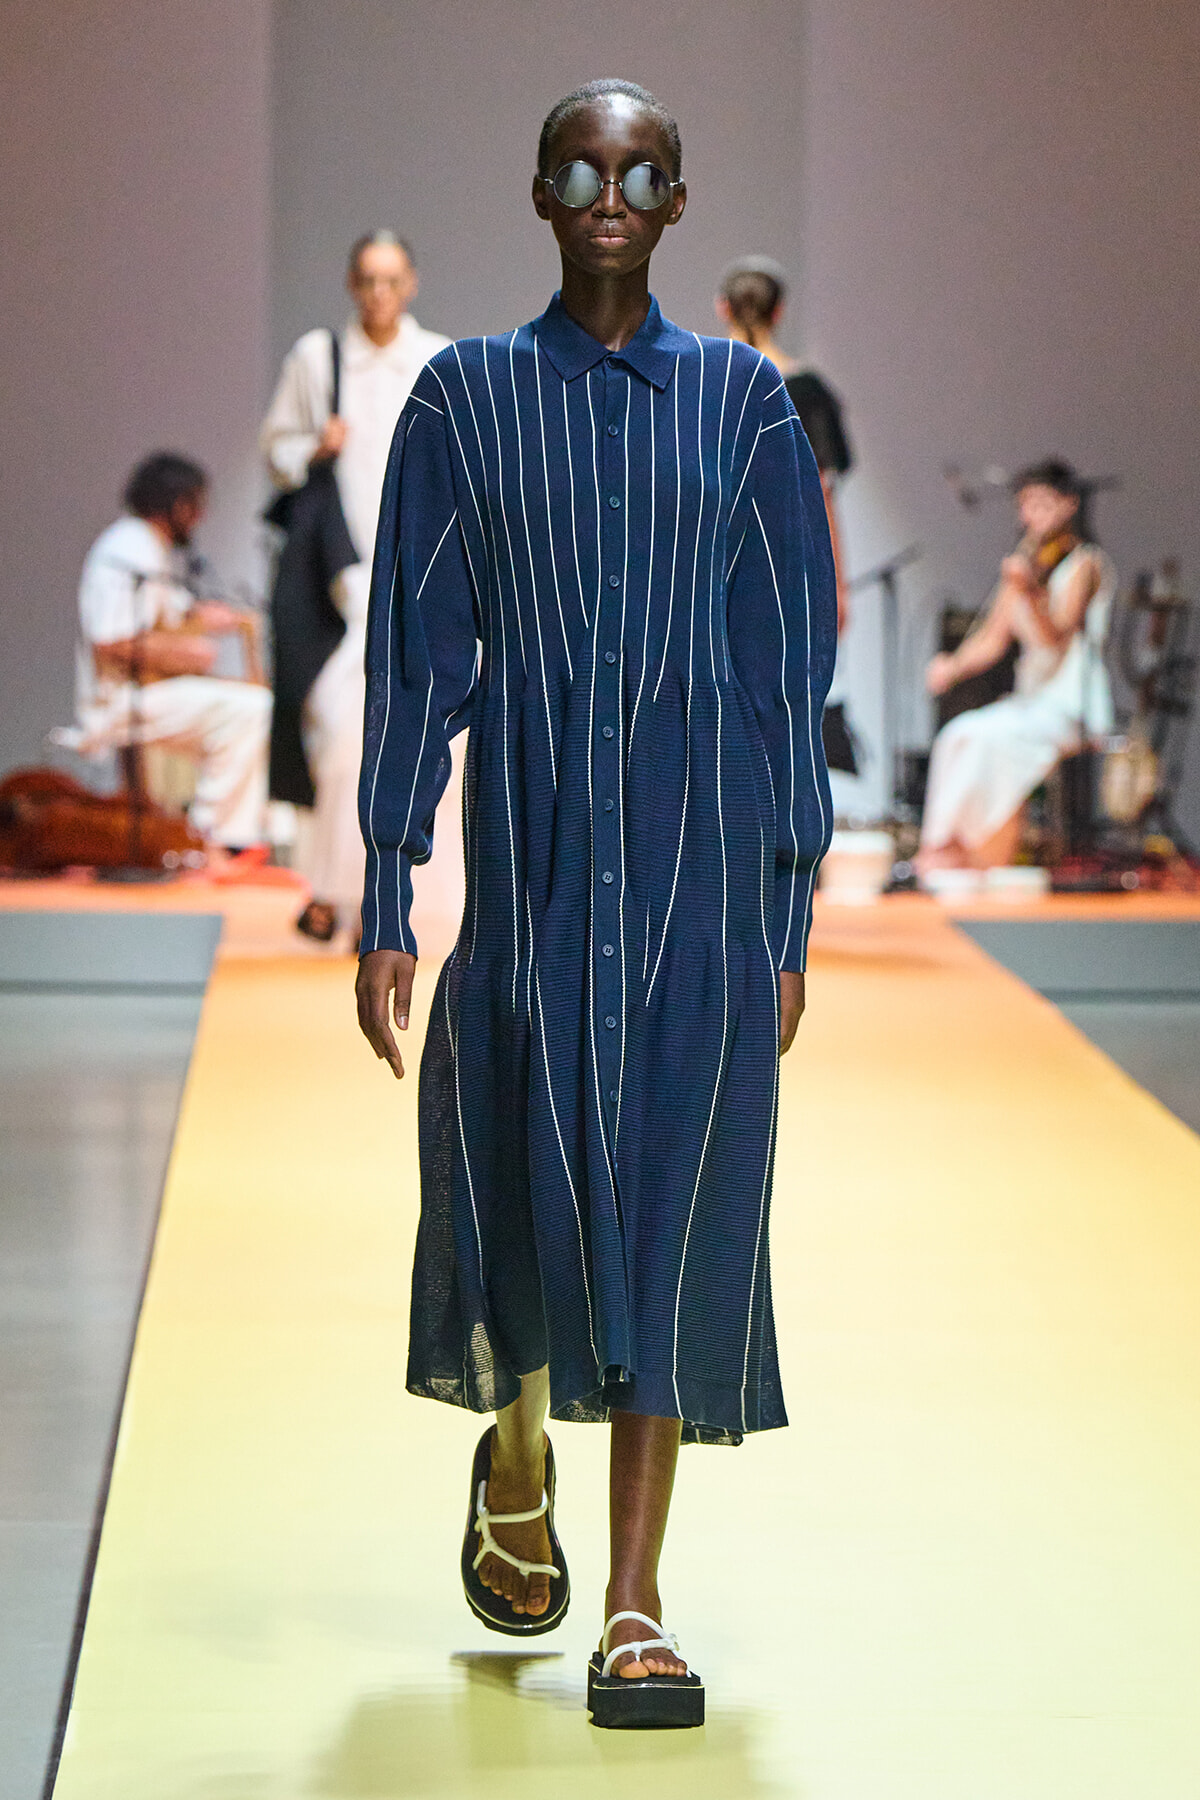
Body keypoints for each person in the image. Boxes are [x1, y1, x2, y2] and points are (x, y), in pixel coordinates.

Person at [354, 80, 836, 1725]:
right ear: (541, 195)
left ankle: (635, 1604)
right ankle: (510, 1439)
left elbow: (787, 678)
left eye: (639, 170)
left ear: (680, 200)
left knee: (674, 1206)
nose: (608, 190)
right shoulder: (466, 400)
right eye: (580, 167)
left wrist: (790, 905)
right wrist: (382, 886)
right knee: (518, 1179)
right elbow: (420, 658)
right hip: (540, 876)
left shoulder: (748, 407)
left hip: (702, 889)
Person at [261, 232, 449, 943]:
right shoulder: (320, 358)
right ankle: (337, 892)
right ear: (351, 284)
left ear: (412, 284)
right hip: (341, 579)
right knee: (343, 741)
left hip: (417, 573)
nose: (379, 294)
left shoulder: (433, 357)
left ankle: (381, 902)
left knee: (418, 740)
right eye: (368, 280)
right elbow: (277, 448)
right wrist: (316, 445)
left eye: (391, 280)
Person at [918, 459, 1116, 871]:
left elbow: (1056, 638)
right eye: (1025, 504)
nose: (1031, 515)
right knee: (957, 734)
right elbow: (992, 640)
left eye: (1042, 503)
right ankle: (944, 847)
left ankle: (972, 855)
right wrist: (950, 667)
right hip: (1031, 700)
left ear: (1068, 505)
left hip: (1069, 703)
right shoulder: (1027, 565)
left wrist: (1029, 592)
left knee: (989, 740)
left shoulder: (1085, 563)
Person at [69, 453, 269, 852]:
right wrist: (185, 654)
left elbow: (165, 613)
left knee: (242, 703)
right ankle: (211, 840)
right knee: (252, 708)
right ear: (180, 505)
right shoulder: (129, 547)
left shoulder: (147, 547)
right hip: (120, 701)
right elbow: (110, 639)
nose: (200, 516)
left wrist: (206, 617)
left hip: (145, 695)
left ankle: (202, 834)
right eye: (197, 505)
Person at [716, 258, 852, 633]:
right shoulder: (806, 391)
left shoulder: (696, 384)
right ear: (778, 312)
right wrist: (835, 586)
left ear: (722, 307)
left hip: (707, 570)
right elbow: (821, 494)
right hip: (784, 570)